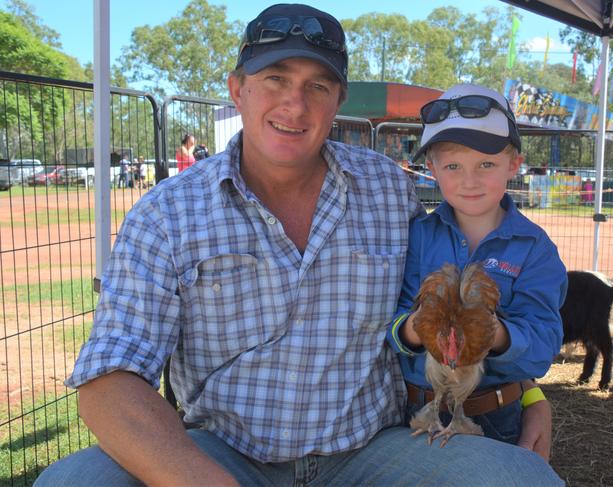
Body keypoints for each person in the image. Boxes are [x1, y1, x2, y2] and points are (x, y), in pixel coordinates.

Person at [35, 5, 563, 486]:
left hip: (373, 451)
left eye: (318, 86)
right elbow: (109, 380)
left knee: (524, 480)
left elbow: (458, 304)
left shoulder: (387, 188)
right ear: (237, 89)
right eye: (275, 78)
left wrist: (529, 394)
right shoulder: (167, 213)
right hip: (224, 453)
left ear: (338, 100)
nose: (295, 103)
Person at [387, 83, 567, 449]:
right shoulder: (415, 236)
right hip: (413, 409)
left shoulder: (534, 249)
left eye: (486, 164)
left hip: (493, 414)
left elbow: (544, 343)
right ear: (433, 168)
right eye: (453, 165)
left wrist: (495, 334)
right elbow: (388, 322)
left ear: (513, 164)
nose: (469, 180)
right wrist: (413, 330)